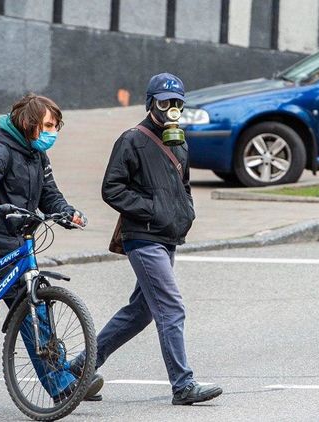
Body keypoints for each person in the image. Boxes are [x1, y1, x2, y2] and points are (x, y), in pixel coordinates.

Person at [0, 94, 102, 412]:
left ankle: (62, 384)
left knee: (35, 315)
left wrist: (67, 213)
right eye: (49, 125)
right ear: (30, 123)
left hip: (16, 247)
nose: (53, 132)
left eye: (56, 127)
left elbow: (50, 195)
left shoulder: (37, 157)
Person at [71, 73, 223, 405]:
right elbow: (112, 188)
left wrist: (185, 213)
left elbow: (184, 185)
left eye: (177, 103)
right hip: (142, 236)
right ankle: (183, 386)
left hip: (166, 235)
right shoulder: (132, 140)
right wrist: (153, 210)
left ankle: (79, 369)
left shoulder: (179, 141)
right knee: (171, 307)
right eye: (164, 102)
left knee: (140, 311)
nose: (171, 109)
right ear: (151, 103)